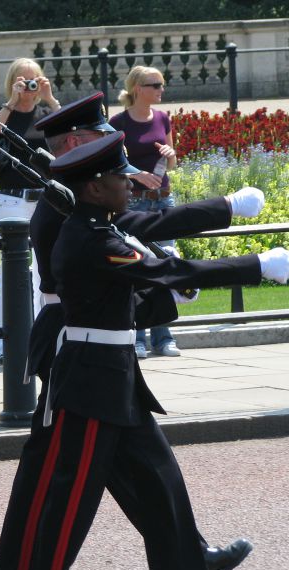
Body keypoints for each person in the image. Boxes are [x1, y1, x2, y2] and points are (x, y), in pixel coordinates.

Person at [14, 132, 289, 570]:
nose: (129, 184)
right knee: (71, 503)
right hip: (90, 384)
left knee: (161, 485)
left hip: (114, 376)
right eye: (118, 178)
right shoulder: (93, 238)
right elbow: (171, 270)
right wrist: (256, 266)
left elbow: (152, 265)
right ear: (95, 188)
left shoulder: (96, 225)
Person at [0, 58, 59, 362]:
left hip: (45, 198)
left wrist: (50, 98)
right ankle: (3, 343)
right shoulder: (5, 112)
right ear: (13, 82)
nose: (29, 86)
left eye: (34, 80)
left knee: (45, 273)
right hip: (12, 198)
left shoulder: (46, 113)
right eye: (23, 80)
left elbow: (75, 132)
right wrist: (11, 102)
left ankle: (43, 340)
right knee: (9, 274)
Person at [110, 66, 180, 359]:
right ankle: (137, 336)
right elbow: (113, 166)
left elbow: (173, 164)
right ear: (138, 88)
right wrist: (137, 175)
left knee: (165, 266)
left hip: (163, 199)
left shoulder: (163, 118)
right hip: (135, 202)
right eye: (155, 85)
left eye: (162, 84)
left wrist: (170, 155)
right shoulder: (118, 122)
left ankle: (163, 337)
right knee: (136, 268)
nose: (161, 89)